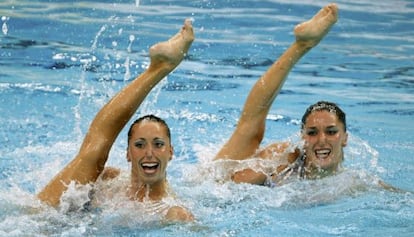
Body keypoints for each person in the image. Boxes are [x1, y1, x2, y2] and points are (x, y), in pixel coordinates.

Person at [37, 19, 195, 222]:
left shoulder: (174, 213)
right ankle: (159, 67)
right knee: (92, 155)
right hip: (42, 221)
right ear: (128, 154)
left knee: (93, 154)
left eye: (158, 144)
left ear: (171, 152)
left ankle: (159, 68)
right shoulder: (109, 179)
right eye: (139, 145)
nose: (149, 153)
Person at [214, 3, 344, 186]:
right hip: (216, 179)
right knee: (250, 132)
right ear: (303, 137)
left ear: (345, 137)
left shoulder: (353, 182)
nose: (322, 140)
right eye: (312, 132)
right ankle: (301, 45)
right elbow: (226, 184)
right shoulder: (284, 160)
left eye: (331, 132)